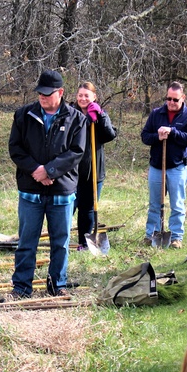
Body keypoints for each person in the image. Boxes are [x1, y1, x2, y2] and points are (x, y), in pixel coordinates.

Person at [9, 69, 86, 297]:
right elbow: (16, 148)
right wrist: (36, 170)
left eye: (47, 93)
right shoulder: (23, 115)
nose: (42, 97)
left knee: (60, 243)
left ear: (60, 93)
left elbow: (76, 152)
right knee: (27, 242)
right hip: (30, 190)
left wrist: (50, 170)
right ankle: (21, 287)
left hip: (62, 190)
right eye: (40, 93)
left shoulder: (76, 119)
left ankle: (57, 286)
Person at [141, 82, 187, 249]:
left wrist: (172, 132)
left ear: (183, 97)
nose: (171, 102)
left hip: (178, 167)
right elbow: (145, 136)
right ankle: (152, 234)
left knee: (177, 204)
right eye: (168, 99)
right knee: (154, 203)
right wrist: (157, 137)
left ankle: (175, 237)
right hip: (156, 166)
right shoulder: (156, 114)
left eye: (175, 99)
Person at [73, 82, 117, 250]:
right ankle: (60, 239)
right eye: (80, 95)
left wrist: (100, 117)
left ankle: (84, 242)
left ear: (94, 97)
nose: (83, 98)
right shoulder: (70, 113)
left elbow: (109, 135)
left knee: (88, 209)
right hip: (74, 171)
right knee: (68, 207)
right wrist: (84, 121)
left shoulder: (100, 115)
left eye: (86, 95)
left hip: (94, 171)